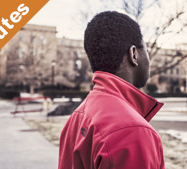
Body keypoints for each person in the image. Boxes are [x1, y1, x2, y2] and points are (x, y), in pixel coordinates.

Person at [58, 11, 165, 169]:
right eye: (147, 52)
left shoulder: (77, 116)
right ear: (134, 54)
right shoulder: (133, 131)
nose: (149, 60)